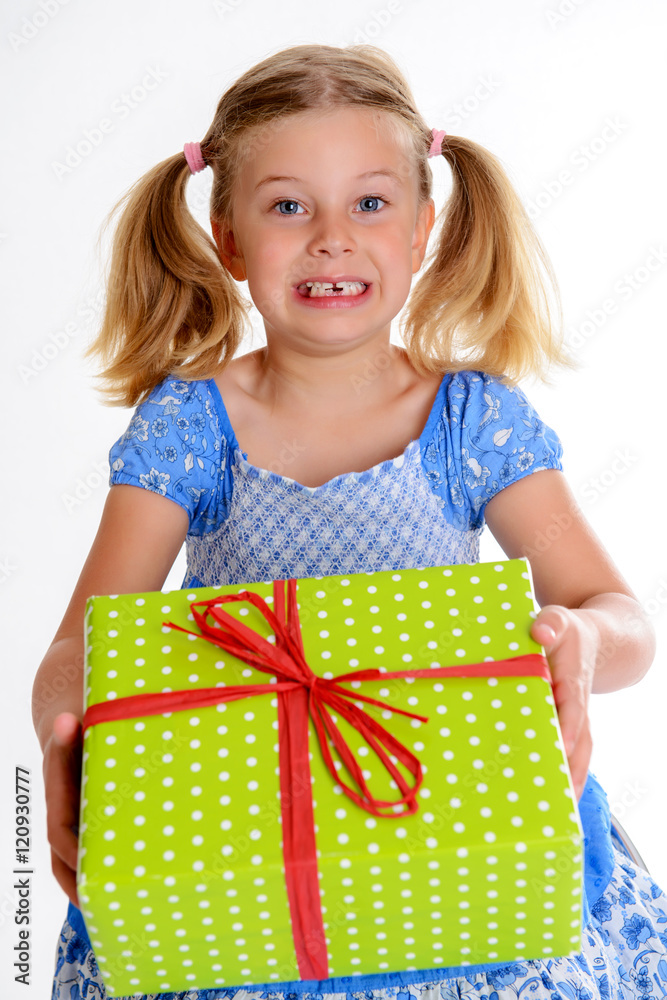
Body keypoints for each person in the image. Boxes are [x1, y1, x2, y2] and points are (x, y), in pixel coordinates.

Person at [33, 41, 665, 1000]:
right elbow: (84, 639)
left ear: (422, 229)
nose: (331, 237)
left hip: (461, 833)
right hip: (241, 849)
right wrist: (63, 738)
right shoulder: (189, 426)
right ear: (230, 240)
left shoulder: (471, 422)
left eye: (370, 203)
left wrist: (576, 637)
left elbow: (617, 614)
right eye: (288, 206)